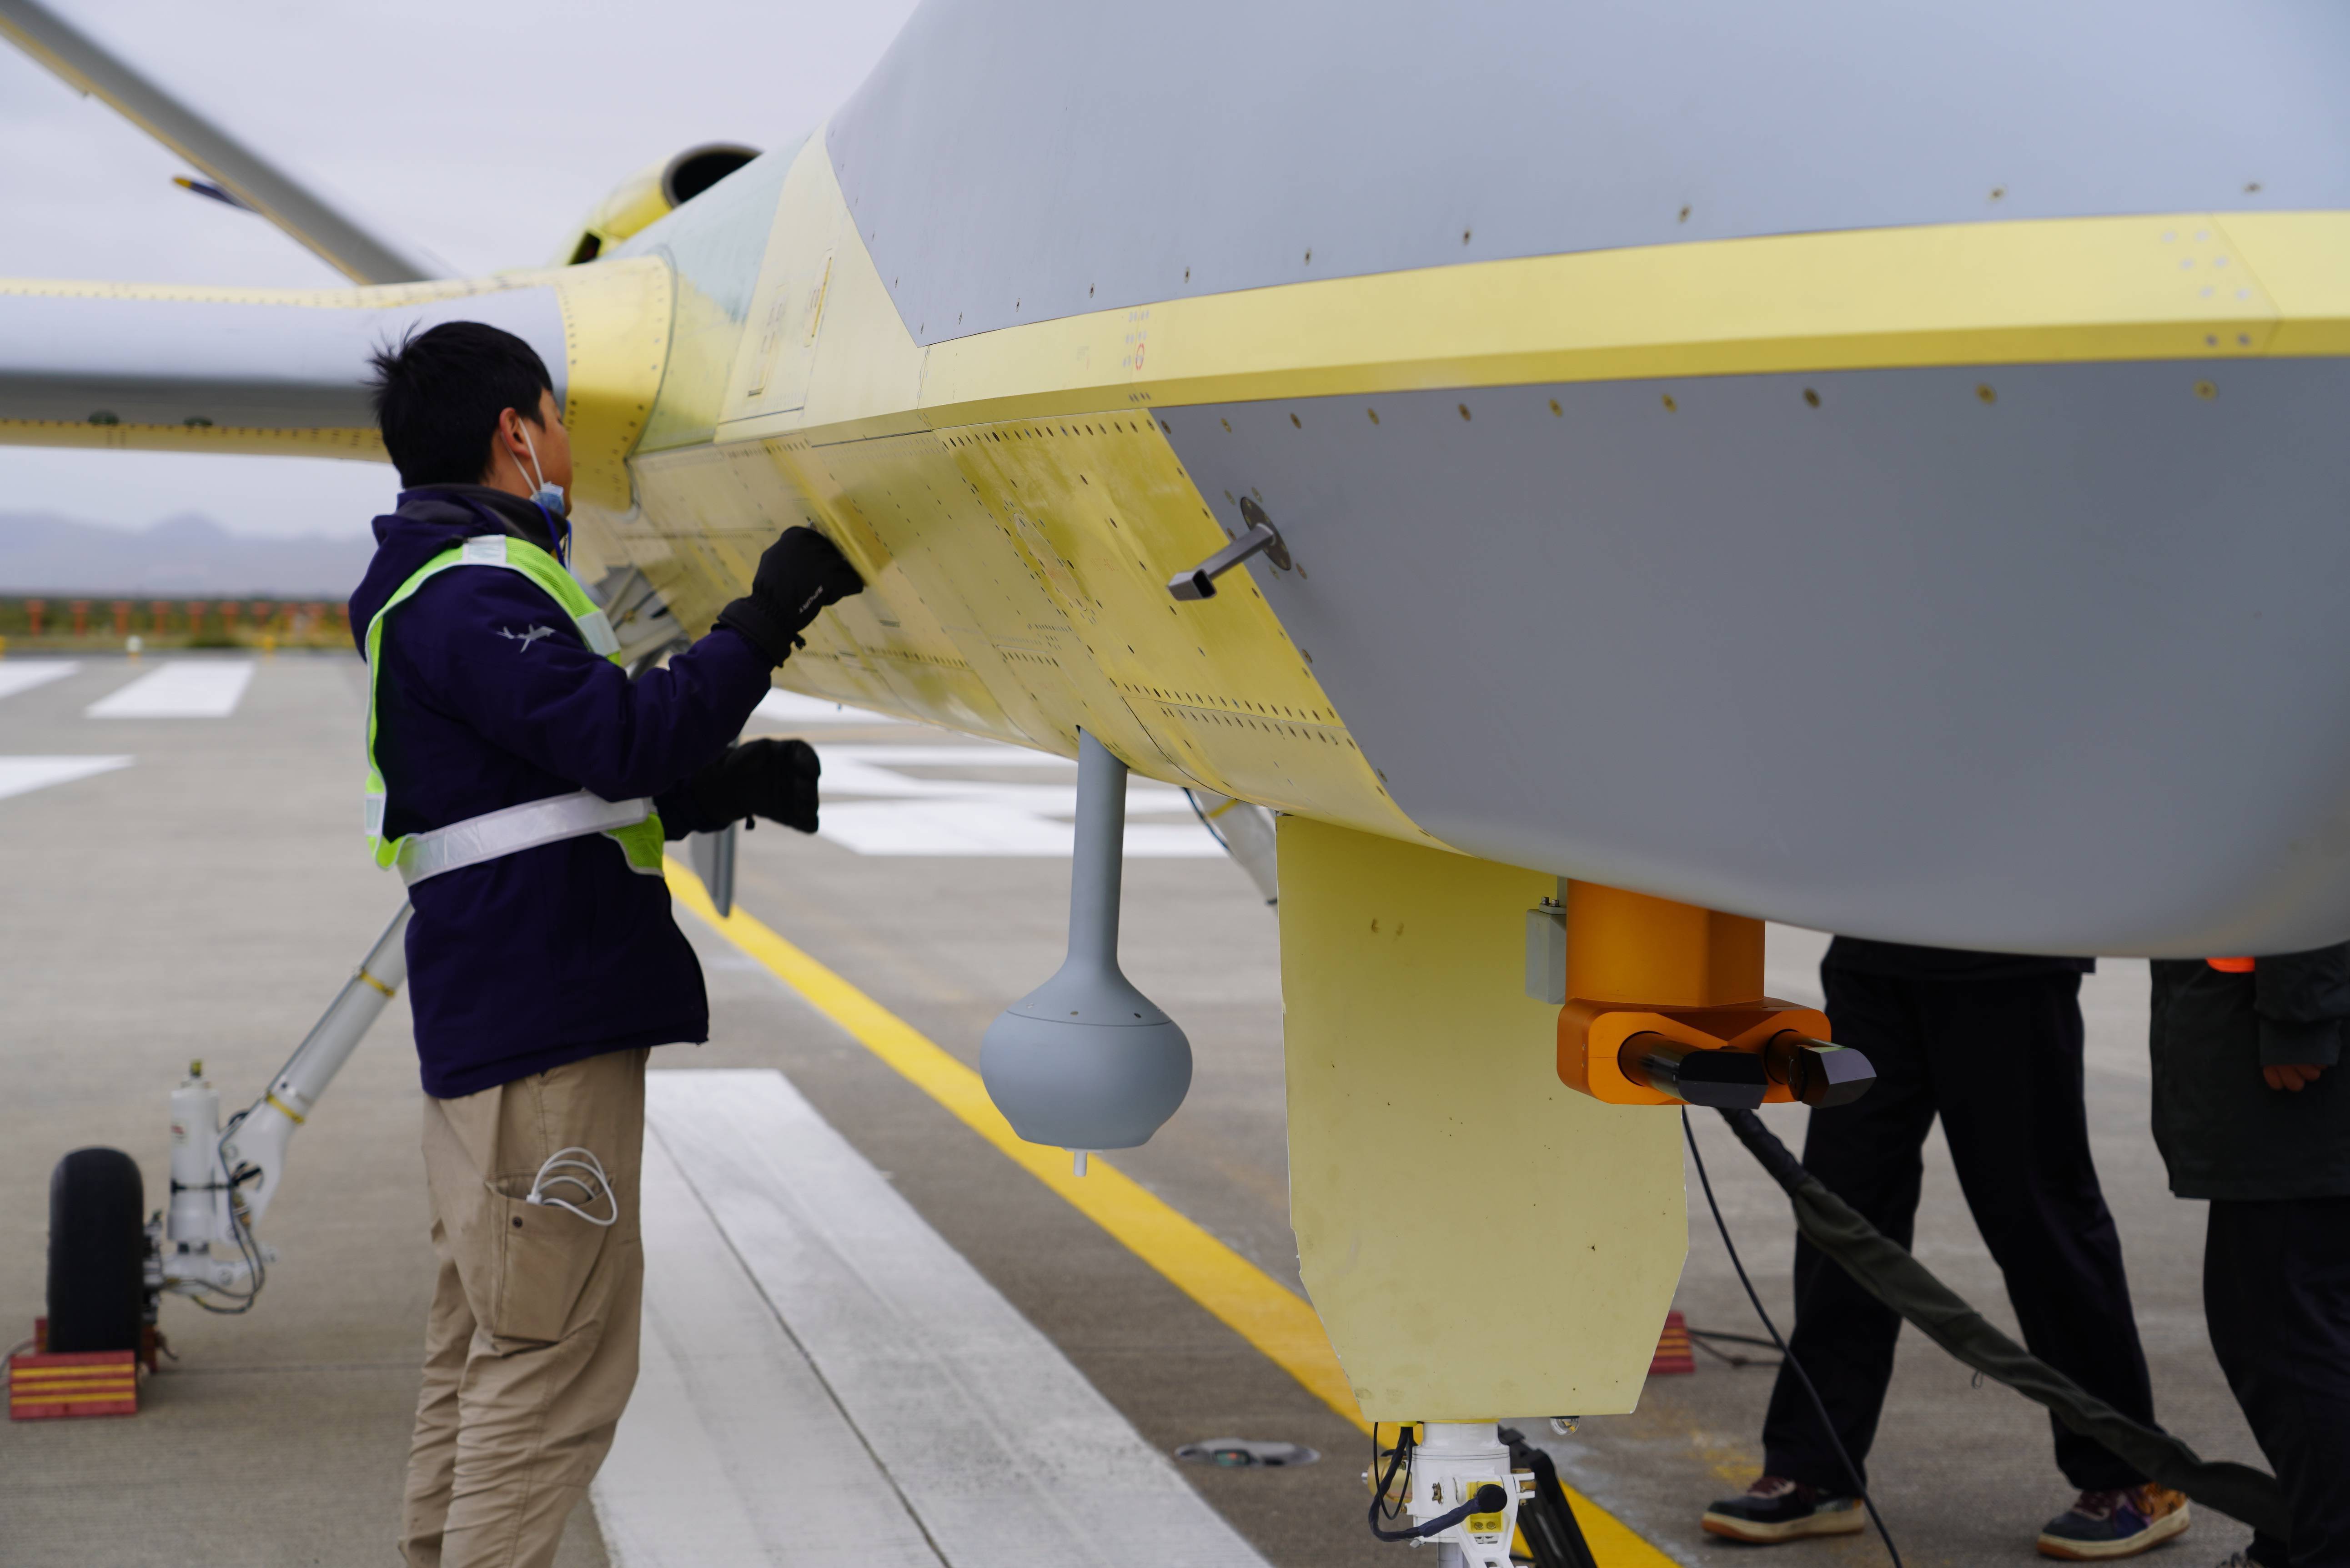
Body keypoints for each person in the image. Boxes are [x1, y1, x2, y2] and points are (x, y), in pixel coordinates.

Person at [352, 321, 864, 1568]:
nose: (570, 442)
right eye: (556, 416)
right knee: (549, 1376)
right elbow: (620, 740)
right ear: (515, 433)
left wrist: (717, 787)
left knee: (490, 1353)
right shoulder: (476, 590)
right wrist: (769, 614)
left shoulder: (446, 584)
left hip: (504, 1022)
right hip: (541, 1037)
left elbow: (534, 795)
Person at [1703, 938, 2187, 1559]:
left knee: (2039, 1220)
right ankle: (1816, 1468)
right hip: (1873, 957)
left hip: (2004, 959)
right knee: (1842, 1213)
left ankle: (2129, 1475)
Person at [2149, 946, 2350, 1568]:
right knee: (2293, 1317)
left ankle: (2329, 1549)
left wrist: (2300, 1015)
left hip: (2293, 1033)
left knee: (2283, 1328)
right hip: (2282, 1014)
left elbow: (2313, 856)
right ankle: (2306, 1531)